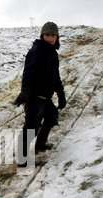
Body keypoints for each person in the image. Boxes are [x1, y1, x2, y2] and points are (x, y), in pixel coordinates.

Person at [14, 22, 66, 167]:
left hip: (46, 97)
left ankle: (40, 144)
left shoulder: (52, 53)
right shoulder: (37, 50)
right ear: (42, 36)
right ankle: (22, 159)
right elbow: (29, 73)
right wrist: (25, 92)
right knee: (31, 127)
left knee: (51, 117)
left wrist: (61, 94)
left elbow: (55, 77)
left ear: (57, 37)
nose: (50, 38)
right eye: (47, 35)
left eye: (53, 35)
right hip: (35, 97)